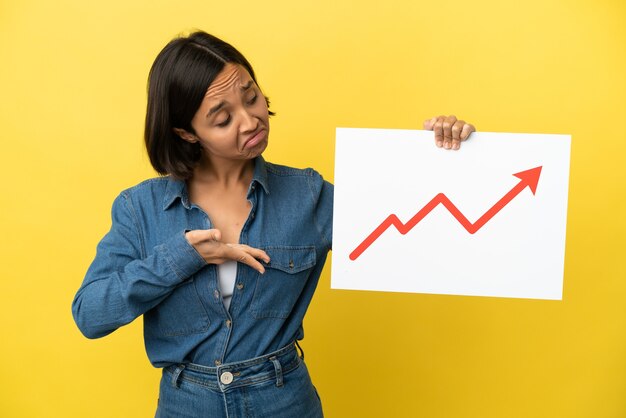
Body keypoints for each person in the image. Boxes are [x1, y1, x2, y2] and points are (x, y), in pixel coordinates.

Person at [71, 30, 476, 418]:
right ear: (186, 132)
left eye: (251, 97)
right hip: (185, 404)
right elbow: (90, 315)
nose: (250, 121)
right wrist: (183, 257)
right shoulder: (139, 208)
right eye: (222, 118)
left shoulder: (310, 195)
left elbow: (423, 230)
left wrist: (446, 155)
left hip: (283, 400)